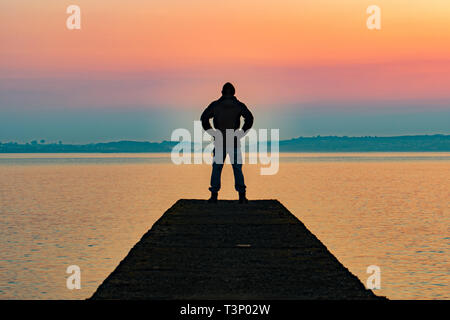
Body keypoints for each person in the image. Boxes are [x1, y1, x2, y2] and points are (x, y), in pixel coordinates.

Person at [200, 82, 254, 203]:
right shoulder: (239, 105)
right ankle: (242, 196)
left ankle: (214, 195)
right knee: (237, 168)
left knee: (217, 168)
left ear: (222, 92)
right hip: (234, 140)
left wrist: (213, 133)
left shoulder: (215, 105)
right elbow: (250, 119)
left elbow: (203, 118)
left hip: (219, 141)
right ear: (234, 92)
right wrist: (241, 132)